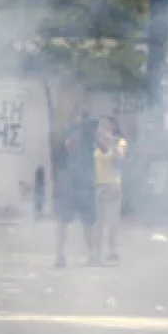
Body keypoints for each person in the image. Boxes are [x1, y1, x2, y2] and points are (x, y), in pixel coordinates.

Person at [54, 103, 98, 267]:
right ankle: (60, 255)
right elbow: (69, 147)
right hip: (70, 180)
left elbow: (103, 147)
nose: (84, 116)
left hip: (86, 181)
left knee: (88, 221)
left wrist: (93, 132)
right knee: (62, 220)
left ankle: (92, 255)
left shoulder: (92, 130)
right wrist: (79, 129)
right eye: (82, 113)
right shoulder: (69, 129)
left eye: (86, 113)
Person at [93, 116, 127, 264]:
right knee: (98, 222)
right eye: (101, 126)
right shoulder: (96, 145)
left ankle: (113, 252)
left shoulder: (120, 143)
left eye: (106, 126)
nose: (103, 129)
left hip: (113, 185)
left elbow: (119, 158)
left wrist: (111, 141)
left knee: (112, 222)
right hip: (98, 184)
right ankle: (96, 253)